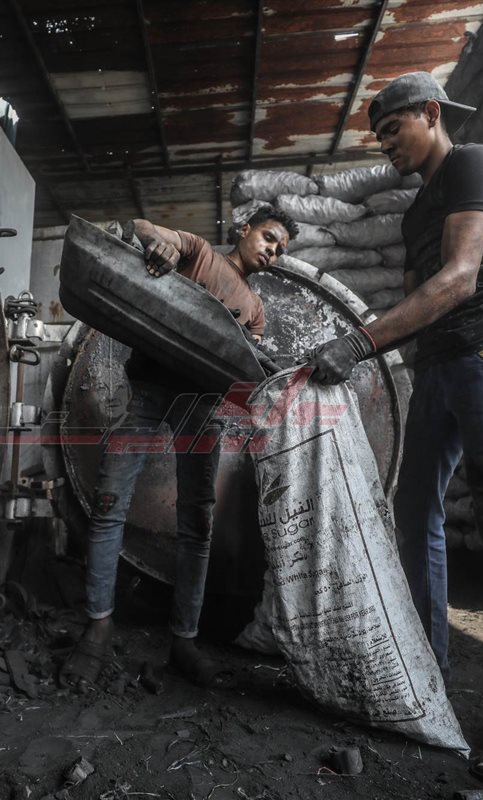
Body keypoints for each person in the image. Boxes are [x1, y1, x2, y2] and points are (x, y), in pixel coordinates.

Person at [307, 72, 483, 791]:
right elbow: (418, 303)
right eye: (379, 136)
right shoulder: (415, 211)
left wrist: (357, 344)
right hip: (440, 369)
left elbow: (458, 280)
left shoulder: (472, 164)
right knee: (413, 511)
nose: (386, 144)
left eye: (393, 129)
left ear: (430, 113)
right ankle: (426, 675)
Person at [60, 208, 298, 688]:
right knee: (108, 506)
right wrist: (159, 245)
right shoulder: (200, 252)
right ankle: (98, 627)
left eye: (280, 250)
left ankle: (184, 640)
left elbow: (243, 365)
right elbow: (144, 228)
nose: (272, 251)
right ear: (244, 230)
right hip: (149, 392)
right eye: (269, 237)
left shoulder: (254, 309)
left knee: (197, 527)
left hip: (202, 408)